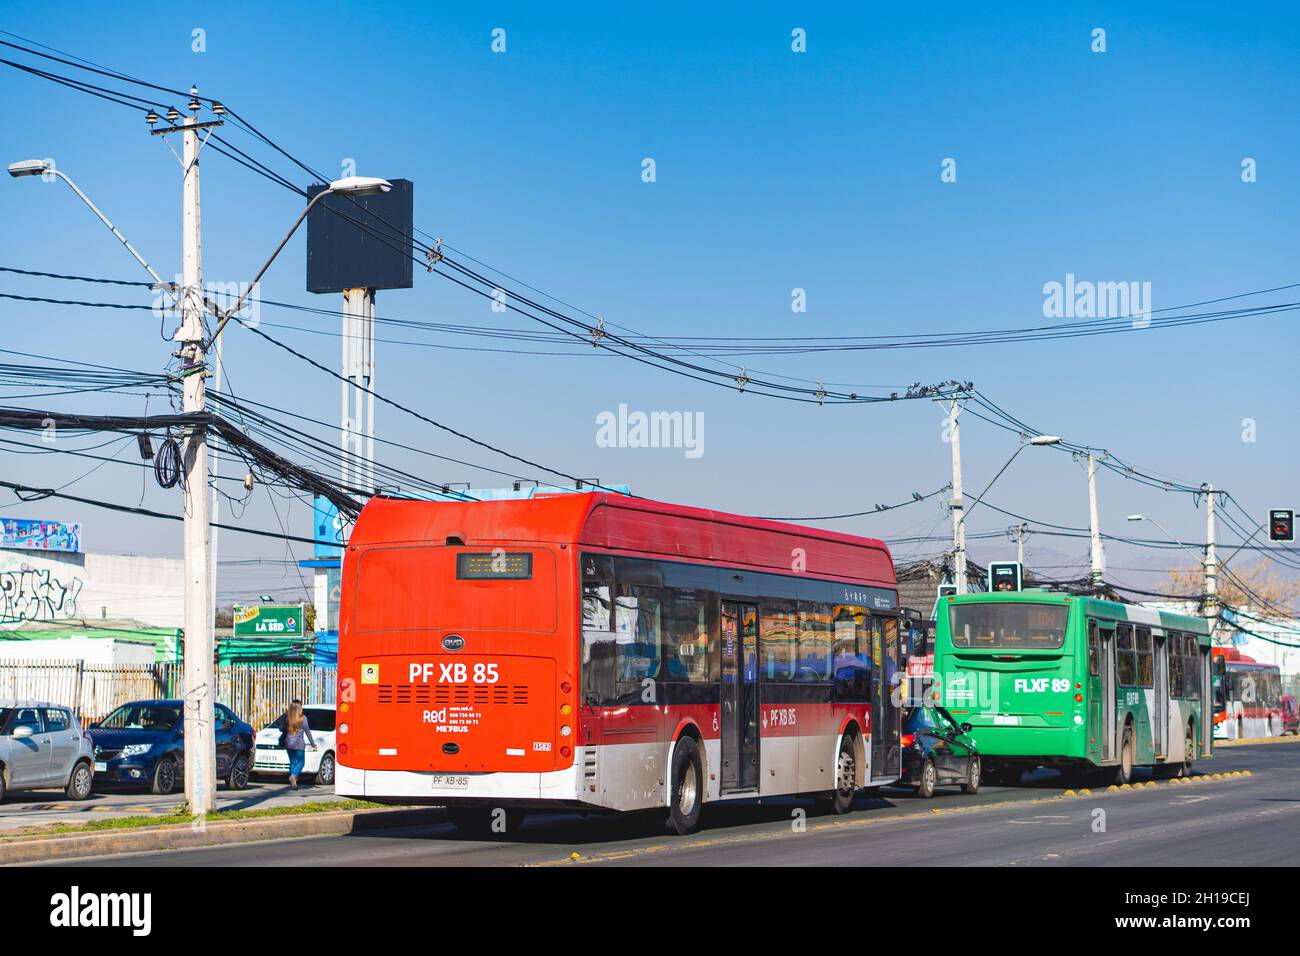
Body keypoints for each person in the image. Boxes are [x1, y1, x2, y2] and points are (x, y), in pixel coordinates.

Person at [280, 699, 317, 790]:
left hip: (288, 743)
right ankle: (294, 776)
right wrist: (313, 744)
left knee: (293, 762)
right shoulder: (303, 718)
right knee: (301, 762)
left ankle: (294, 782)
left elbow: (281, 728)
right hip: (299, 744)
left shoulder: (287, 717)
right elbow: (307, 732)